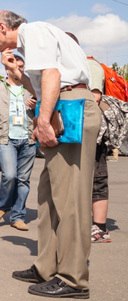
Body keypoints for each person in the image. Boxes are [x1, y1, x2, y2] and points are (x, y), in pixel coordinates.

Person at [0, 10, 99, 299]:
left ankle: (73, 279)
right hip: (64, 103)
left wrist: (43, 120)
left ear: (1, 26)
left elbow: (52, 75)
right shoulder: (30, 42)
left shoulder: (32, 31)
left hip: (71, 105)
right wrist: (14, 70)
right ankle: (47, 266)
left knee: (70, 196)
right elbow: (37, 83)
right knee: (49, 196)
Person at [0, 52, 36, 231]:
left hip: (28, 139)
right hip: (6, 139)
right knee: (10, 175)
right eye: (16, 67)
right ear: (7, 68)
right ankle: (3, 206)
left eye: (22, 67)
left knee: (24, 180)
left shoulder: (32, 89)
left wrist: (37, 104)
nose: (20, 70)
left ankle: (18, 216)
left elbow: (47, 109)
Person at [65, 32, 112, 244]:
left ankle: (100, 228)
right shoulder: (70, 67)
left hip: (92, 130)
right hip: (75, 129)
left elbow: (94, 97)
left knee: (97, 177)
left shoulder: (89, 65)